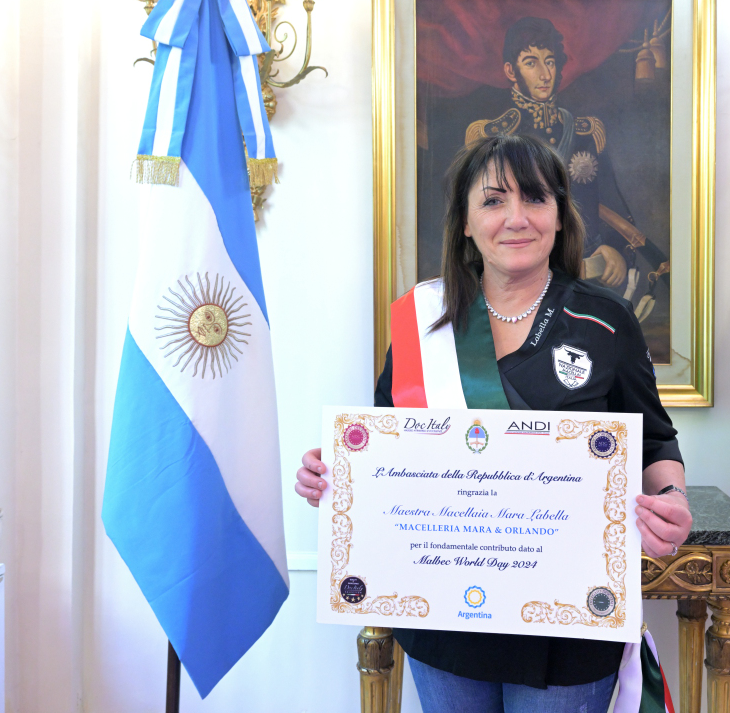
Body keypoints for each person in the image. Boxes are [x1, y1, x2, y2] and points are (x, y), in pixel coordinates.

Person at [294, 134, 691, 712]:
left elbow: (654, 440)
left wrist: (672, 500)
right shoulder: (421, 321)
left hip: (566, 625)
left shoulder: (606, 321)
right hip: (444, 622)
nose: (516, 218)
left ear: (560, 215)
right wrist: (331, 476)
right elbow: (384, 449)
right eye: (494, 200)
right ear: (465, 222)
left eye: (535, 198)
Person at [461, 16, 640, 291]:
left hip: (586, 277)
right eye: (531, 63)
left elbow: (609, 200)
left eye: (550, 62)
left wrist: (614, 249)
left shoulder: (585, 133)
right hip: (516, 281)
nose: (545, 74)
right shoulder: (490, 136)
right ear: (511, 71)